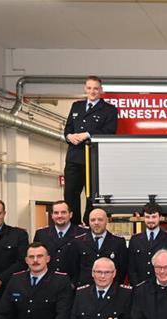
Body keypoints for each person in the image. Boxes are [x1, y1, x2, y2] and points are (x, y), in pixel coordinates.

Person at [63, 75, 118, 225]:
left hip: (94, 157)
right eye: (89, 88)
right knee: (70, 193)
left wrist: (87, 134)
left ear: (101, 90)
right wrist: (69, 136)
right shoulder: (76, 106)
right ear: (85, 89)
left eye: (95, 88)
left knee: (92, 195)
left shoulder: (109, 110)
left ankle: (90, 224)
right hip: (74, 157)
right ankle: (73, 225)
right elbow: (67, 129)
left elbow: (109, 131)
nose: (92, 91)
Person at [69, 207, 128, 287]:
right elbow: (74, 269)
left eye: (100, 220)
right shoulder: (78, 242)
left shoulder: (118, 242)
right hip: (85, 290)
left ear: (107, 221)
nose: (96, 223)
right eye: (92, 220)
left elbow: (122, 269)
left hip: (111, 290)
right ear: (89, 222)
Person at [127, 202, 167, 286]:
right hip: (140, 288)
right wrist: (137, 286)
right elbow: (131, 268)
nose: (150, 220)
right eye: (147, 217)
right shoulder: (135, 240)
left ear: (160, 217)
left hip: (163, 287)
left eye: (154, 217)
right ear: (143, 218)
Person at [33, 200, 83, 277]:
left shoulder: (82, 233)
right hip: (47, 283)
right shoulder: (41, 234)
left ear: (70, 214)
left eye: (63, 212)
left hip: (73, 283)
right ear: (52, 215)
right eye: (56, 213)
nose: (59, 216)